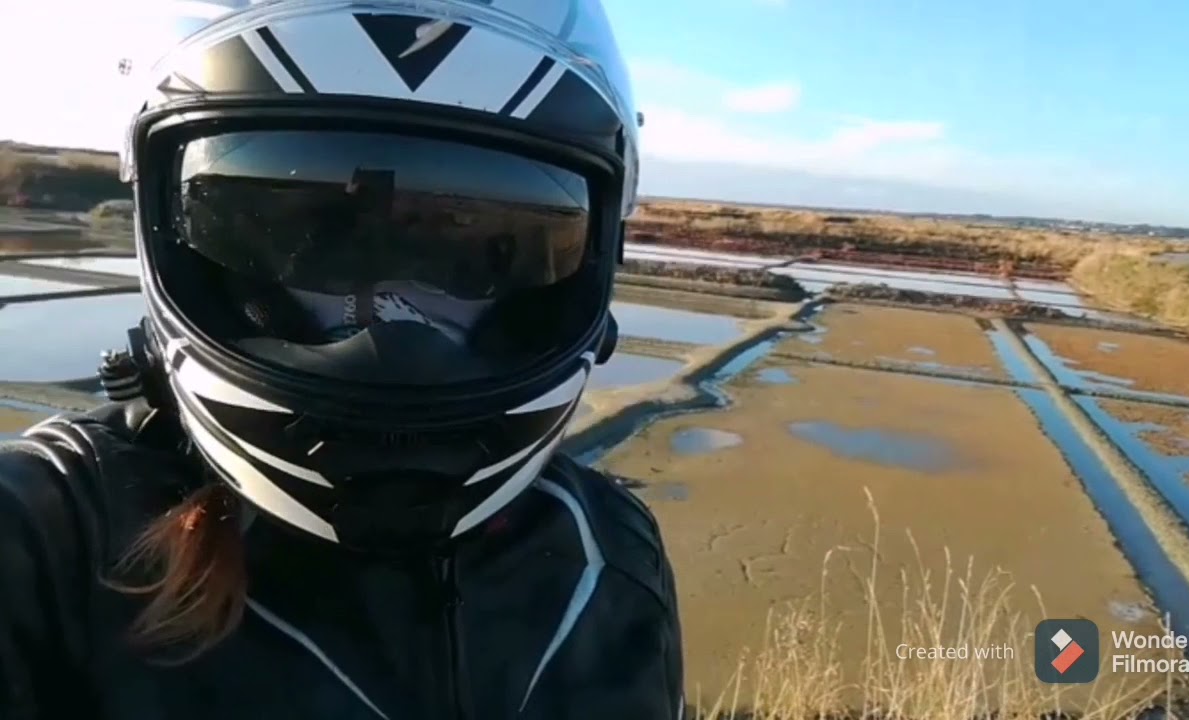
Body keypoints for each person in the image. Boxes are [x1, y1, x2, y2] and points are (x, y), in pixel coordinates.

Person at [0, 1, 684, 718]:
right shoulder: (46, 538)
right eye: (320, 237)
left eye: (468, 253)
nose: (390, 329)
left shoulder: (615, 556)